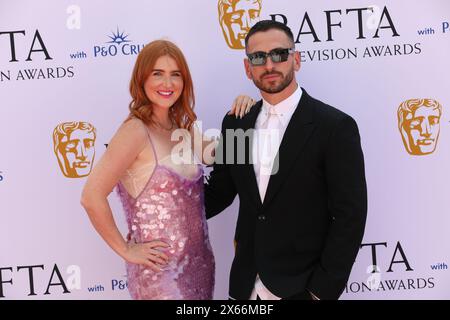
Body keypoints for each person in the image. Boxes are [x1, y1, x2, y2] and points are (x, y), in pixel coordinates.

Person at [205, 20, 368, 300]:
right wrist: (164, 203)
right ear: (248, 68)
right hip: (245, 287)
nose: (269, 65)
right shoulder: (236, 124)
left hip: (303, 287)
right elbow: (219, 193)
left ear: (296, 59)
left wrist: (320, 292)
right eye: (258, 57)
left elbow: (350, 216)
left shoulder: (334, 126)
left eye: (279, 54)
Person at [80, 40, 255, 300]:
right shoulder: (135, 131)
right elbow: (91, 196)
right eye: (157, 74)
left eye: (176, 75)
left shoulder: (182, 126)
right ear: (141, 79)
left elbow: (229, 155)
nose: (168, 83)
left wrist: (247, 112)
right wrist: (126, 250)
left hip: (200, 265)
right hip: (160, 274)